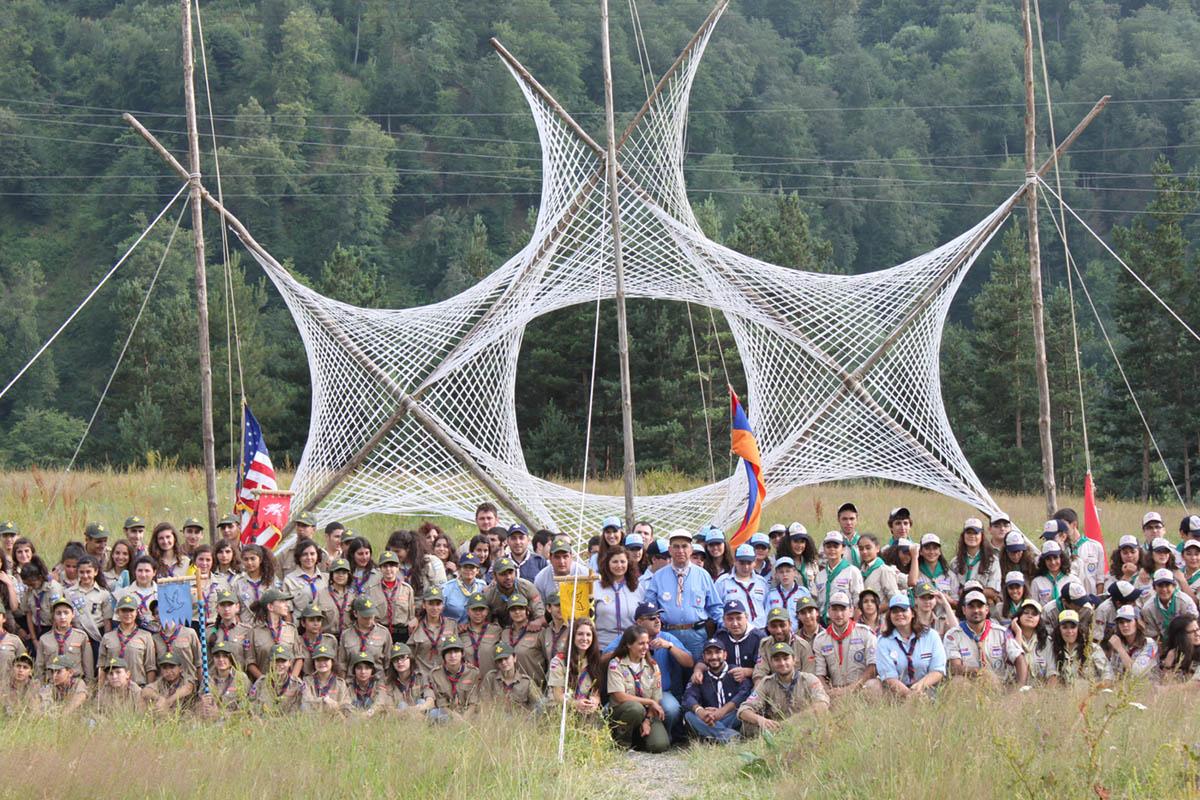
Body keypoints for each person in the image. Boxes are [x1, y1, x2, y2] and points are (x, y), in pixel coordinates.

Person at [642, 529, 723, 660]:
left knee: (696, 674)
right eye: (676, 546)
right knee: (670, 675)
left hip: (696, 635)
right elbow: (649, 608)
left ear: (691, 549)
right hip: (667, 634)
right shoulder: (658, 577)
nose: (680, 551)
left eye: (684, 546)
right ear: (670, 550)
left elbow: (715, 607)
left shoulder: (702, 575)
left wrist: (724, 628)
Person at [737, 641, 829, 735]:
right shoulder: (766, 683)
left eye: (786, 659)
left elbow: (822, 705)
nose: (782, 663)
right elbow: (743, 710)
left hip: (803, 726)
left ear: (794, 660)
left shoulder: (809, 679)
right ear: (771, 663)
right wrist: (761, 720)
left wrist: (790, 723)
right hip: (776, 729)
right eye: (777, 660)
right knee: (747, 725)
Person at [607, 626, 669, 753]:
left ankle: (638, 738)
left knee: (659, 745)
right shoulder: (616, 664)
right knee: (636, 708)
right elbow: (620, 697)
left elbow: (656, 698)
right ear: (629, 645)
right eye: (641, 643)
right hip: (623, 712)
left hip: (646, 713)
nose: (646, 647)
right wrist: (649, 702)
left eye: (647, 643)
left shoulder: (653, 666)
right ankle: (622, 743)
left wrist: (648, 720)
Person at [875, 594, 946, 699]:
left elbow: (938, 670)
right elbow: (889, 676)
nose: (899, 614)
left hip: (926, 689)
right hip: (896, 693)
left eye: (903, 610)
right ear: (889, 615)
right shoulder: (883, 641)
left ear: (912, 613)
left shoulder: (931, 636)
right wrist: (910, 695)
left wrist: (917, 689)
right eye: (895, 611)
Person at [811, 591, 881, 698]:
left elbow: (873, 668)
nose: (839, 614)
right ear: (828, 611)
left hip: (860, 688)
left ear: (851, 611)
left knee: (874, 685)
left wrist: (850, 689)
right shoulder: (820, 640)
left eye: (843, 609)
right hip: (834, 691)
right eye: (834, 609)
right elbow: (820, 673)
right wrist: (828, 692)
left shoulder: (865, 633)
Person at [683, 638, 750, 743]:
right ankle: (728, 736)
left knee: (744, 711)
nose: (714, 657)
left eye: (718, 652)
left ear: (725, 655)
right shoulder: (700, 676)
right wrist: (701, 711)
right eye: (709, 653)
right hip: (709, 718)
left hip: (731, 715)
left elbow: (744, 693)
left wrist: (722, 711)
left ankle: (711, 735)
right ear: (704, 657)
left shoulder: (735, 671)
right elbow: (688, 697)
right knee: (689, 715)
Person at [943, 589, 1013, 685]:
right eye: (971, 607)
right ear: (964, 610)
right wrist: (980, 672)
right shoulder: (953, 635)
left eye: (980, 606)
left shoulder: (1001, 632)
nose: (976, 610)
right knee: (957, 682)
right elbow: (955, 668)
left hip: (998, 684)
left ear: (987, 609)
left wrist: (1019, 687)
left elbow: (1018, 657)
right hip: (969, 685)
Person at [547, 619, 603, 724]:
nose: (584, 638)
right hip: (561, 710)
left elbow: (596, 693)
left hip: (585, 712)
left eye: (588, 635)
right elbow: (558, 695)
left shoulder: (595, 661)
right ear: (573, 637)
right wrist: (576, 704)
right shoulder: (559, 661)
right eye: (580, 634)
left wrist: (594, 702)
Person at [99, 594, 156, 686]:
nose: (128, 614)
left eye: (131, 610)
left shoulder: (146, 636)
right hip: (112, 689)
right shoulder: (107, 637)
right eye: (124, 610)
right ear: (118, 612)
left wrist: (149, 690)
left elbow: (150, 667)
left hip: (138, 688)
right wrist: (100, 692)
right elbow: (101, 667)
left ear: (136, 612)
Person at [593, 546, 643, 649]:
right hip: (602, 646)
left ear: (628, 563)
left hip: (630, 647)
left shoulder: (637, 587)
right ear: (607, 563)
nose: (619, 565)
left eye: (622, 562)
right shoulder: (596, 586)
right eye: (615, 562)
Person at [36, 594, 93, 682]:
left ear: (73, 614)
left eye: (66, 613)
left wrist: (88, 684)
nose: (62, 617)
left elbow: (88, 664)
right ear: (53, 616)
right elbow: (39, 665)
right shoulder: (44, 639)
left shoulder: (81, 636)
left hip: (75, 681)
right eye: (58, 613)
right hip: (52, 682)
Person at [424, 634, 481, 722]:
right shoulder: (435, 674)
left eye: (456, 651)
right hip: (447, 713)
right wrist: (455, 718)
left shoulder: (473, 672)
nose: (453, 656)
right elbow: (441, 704)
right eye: (449, 652)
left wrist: (464, 720)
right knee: (433, 714)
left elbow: (473, 702)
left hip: (468, 714)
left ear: (462, 654)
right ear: (444, 655)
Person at [248, 588, 300, 682]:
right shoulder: (255, 632)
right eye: (282, 601)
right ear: (270, 607)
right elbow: (250, 662)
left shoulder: (291, 629)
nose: (286, 605)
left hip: (288, 686)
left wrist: (292, 680)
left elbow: (299, 657)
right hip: (265, 685)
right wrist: (263, 681)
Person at [1044, 610, 1106, 686]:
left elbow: (1108, 676)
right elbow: (1051, 679)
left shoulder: (1093, 648)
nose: (1069, 631)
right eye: (1065, 627)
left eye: (1073, 627)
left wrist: (1092, 691)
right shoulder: (1053, 649)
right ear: (1059, 630)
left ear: (1079, 628)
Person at [714, 544, 769, 629]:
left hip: (759, 629)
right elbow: (715, 607)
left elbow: (766, 606)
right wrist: (724, 623)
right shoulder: (723, 582)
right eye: (742, 563)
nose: (746, 567)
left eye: (749, 563)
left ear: (754, 562)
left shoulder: (761, 582)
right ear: (735, 562)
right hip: (733, 630)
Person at [753, 607, 815, 681]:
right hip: (773, 687)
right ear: (768, 627)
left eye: (782, 625)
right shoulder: (765, 644)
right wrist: (758, 688)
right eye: (774, 626)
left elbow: (809, 677)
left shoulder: (802, 646)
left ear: (790, 624)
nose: (778, 631)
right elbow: (760, 672)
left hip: (799, 688)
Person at [150, 599, 203, 685]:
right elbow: (153, 667)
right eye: (157, 613)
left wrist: (202, 688)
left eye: (165, 611)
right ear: (155, 617)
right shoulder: (154, 639)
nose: (162, 615)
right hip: (165, 687)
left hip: (188, 684)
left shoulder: (190, 633)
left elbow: (199, 663)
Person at [483, 558, 544, 630]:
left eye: (510, 572)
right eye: (503, 574)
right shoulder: (489, 594)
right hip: (501, 631)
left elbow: (539, 613)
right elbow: (484, 620)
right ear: (494, 576)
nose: (508, 577)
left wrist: (538, 622)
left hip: (528, 629)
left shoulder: (527, 587)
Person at [480, 641, 543, 712]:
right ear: (496, 663)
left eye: (506, 658)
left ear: (514, 658)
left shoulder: (526, 682)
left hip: (520, 721)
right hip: (496, 720)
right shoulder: (490, 678)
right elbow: (484, 703)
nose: (503, 662)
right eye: (499, 660)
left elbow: (538, 706)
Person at [814, 533, 863, 624]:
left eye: (836, 546)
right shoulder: (820, 575)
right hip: (824, 622)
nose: (832, 549)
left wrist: (855, 625)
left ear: (843, 549)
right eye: (828, 546)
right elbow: (816, 602)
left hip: (846, 621)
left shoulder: (852, 571)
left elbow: (858, 603)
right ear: (824, 549)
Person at [338, 595, 393, 675]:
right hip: (352, 682)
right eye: (365, 617)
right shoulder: (346, 635)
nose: (369, 621)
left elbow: (388, 662)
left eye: (371, 616)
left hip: (377, 681)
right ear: (355, 614)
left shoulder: (384, 633)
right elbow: (342, 664)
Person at [1101, 605, 1157, 683]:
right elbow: (1112, 670)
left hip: (1146, 687)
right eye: (1121, 622)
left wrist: (1120, 649)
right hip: (1122, 688)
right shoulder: (1118, 642)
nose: (1125, 625)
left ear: (1137, 622)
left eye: (1129, 621)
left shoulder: (1149, 644)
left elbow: (1137, 673)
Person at [369, 550, 415, 644]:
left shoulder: (407, 589)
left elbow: (411, 616)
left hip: (401, 634)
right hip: (380, 632)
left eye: (392, 566)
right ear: (380, 568)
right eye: (385, 566)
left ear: (398, 568)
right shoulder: (372, 591)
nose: (388, 569)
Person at [500, 594, 546, 686]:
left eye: (520, 608)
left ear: (527, 611)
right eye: (513, 609)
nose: (517, 612)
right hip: (511, 688)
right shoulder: (504, 633)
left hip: (535, 687)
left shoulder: (539, 632)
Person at [1141, 568, 1198, 642]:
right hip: (1165, 642)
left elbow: (1194, 625)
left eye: (1167, 585)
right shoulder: (1148, 608)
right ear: (1154, 587)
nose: (1164, 589)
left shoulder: (1185, 601)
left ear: (1174, 586)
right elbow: (1152, 635)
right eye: (1160, 585)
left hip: (1188, 639)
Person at [952, 519, 1001, 602]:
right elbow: (953, 589)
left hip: (984, 607)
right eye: (968, 533)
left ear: (982, 536)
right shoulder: (955, 562)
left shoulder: (992, 561)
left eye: (976, 533)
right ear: (963, 535)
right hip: (961, 607)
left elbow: (993, 592)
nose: (972, 536)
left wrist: (969, 590)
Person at [1057, 508, 1105, 592]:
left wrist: (1098, 600)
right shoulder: (1059, 549)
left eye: (1064, 526)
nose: (1061, 530)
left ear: (1074, 524)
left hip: (1090, 598)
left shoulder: (1095, 546)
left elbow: (1100, 580)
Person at [409, 586, 452, 677]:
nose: (434, 608)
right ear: (424, 605)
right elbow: (409, 654)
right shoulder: (415, 626)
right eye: (431, 604)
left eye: (438, 604)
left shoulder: (451, 625)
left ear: (443, 605)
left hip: (445, 675)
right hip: (421, 676)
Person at [200, 640, 250, 716]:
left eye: (225, 656)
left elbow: (245, 711)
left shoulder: (241, 678)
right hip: (210, 725)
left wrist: (219, 714)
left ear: (231, 658)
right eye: (217, 656)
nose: (221, 659)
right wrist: (202, 704)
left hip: (233, 724)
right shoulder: (207, 679)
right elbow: (197, 708)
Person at [533, 536, 590, 605]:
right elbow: (540, 608)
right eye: (557, 557)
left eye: (565, 556)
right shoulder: (541, 579)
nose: (562, 562)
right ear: (550, 558)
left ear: (571, 556)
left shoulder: (585, 573)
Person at [206, 588, 252, 671]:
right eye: (223, 605)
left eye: (230, 605)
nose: (226, 609)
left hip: (240, 679)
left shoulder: (247, 631)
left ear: (237, 607)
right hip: (216, 679)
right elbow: (205, 660)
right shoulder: (209, 632)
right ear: (217, 608)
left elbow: (250, 659)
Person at [250, 644, 303, 714]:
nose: (280, 665)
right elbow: (252, 707)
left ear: (290, 663)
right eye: (276, 661)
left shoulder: (296, 685)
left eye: (283, 661)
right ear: (270, 663)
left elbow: (300, 712)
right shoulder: (261, 683)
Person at [1006, 598, 1050, 685]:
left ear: (1039, 619)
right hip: (1014, 688)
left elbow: (1052, 672)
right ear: (1019, 616)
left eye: (1034, 614)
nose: (1030, 616)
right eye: (1026, 613)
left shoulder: (1047, 641)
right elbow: (1015, 658)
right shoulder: (1008, 638)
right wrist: (1018, 632)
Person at [459, 592, 501, 679]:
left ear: (487, 611)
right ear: (468, 611)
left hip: (491, 681)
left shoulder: (497, 631)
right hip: (467, 681)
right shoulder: (460, 632)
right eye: (474, 609)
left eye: (481, 609)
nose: (478, 613)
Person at [300, 642, 351, 715]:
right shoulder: (307, 681)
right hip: (312, 721)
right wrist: (324, 700)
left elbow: (345, 705)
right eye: (318, 660)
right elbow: (306, 702)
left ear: (332, 662)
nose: (322, 663)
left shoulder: (340, 683)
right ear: (314, 662)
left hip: (335, 721)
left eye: (326, 659)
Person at [232, 544, 278, 623]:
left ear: (260, 560)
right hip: (246, 628)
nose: (249, 563)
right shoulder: (237, 583)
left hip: (268, 626)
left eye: (253, 559)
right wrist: (240, 627)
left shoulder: (271, 580)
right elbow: (234, 610)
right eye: (246, 559)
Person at [909, 534, 960, 604]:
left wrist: (949, 600)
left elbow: (958, 605)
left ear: (939, 551)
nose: (931, 552)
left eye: (935, 548)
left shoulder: (950, 575)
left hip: (944, 614)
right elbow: (911, 584)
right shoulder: (915, 573)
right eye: (927, 548)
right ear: (920, 552)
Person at [283, 538, 328, 615]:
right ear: (299, 557)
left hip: (323, 622)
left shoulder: (327, 578)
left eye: (312, 554)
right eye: (304, 554)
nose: (309, 558)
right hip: (300, 623)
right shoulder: (289, 579)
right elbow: (287, 609)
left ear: (317, 555)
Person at [382, 642, 429, 715]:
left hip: (422, 714)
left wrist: (418, 709)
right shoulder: (388, 681)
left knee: (421, 701)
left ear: (411, 659)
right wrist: (406, 712)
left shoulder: (421, 676)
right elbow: (388, 707)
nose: (400, 662)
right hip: (400, 717)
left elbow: (430, 700)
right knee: (402, 705)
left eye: (403, 658)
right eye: (395, 659)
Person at [764, 556, 809, 631]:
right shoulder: (771, 595)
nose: (785, 574)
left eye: (788, 571)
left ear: (794, 572)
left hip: (798, 634)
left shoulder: (803, 593)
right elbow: (767, 618)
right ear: (777, 574)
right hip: (777, 634)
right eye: (781, 572)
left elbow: (808, 615)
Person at [296, 603, 338, 677]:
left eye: (318, 620)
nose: (316, 624)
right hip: (304, 681)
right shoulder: (297, 642)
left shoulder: (330, 640)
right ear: (303, 623)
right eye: (311, 620)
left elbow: (336, 665)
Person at [442, 554, 487, 623]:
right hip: (451, 628)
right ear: (459, 569)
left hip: (474, 628)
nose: (468, 570)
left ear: (477, 570)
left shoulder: (482, 586)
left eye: (472, 567)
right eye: (465, 567)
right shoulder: (448, 587)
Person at [857, 534, 899, 607]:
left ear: (877, 548)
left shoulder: (884, 570)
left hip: (881, 616)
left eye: (868, 548)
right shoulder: (860, 571)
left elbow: (894, 599)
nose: (864, 552)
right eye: (861, 549)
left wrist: (876, 611)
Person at [316, 558, 355, 638]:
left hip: (348, 637)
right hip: (327, 638)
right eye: (337, 572)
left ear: (348, 575)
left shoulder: (353, 595)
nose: (340, 575)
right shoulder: (321, 594)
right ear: (331, 574)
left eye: (344, 573)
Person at [1157, 614, 1200, 681]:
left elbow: (1195, 684)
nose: (1197, 634)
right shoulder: (1174, 654)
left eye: (1198, 629)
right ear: (1181, 636)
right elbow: (1164, 682)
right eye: (1192, 632)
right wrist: (1168, 664)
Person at [1030, 541, 1070, 607]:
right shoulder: (1037, 582)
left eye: (1055, 557)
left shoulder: (1072, 579)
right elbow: (1034, 606)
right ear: (1043, 561)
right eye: (1048, 559)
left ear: (1061, 558)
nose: (1053, 562)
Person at [347, 650, 385, 715]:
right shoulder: (348, 685)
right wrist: (358, 715)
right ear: (354, 670)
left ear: (372, 670)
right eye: (359, 668)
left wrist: (369, 713)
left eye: (367, 668)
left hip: (374, 718)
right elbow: (346, 704)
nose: (363, 672)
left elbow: (380, 703)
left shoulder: (378, 684)